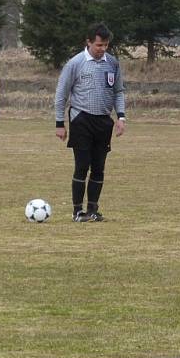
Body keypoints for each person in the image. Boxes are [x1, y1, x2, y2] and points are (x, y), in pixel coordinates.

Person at [55, 23, 126, 222]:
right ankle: (77, 211)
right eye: (99, 45)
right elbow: (61, 94)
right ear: (88, 42)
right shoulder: (75, 63)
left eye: (105, 45)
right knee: (82, 166)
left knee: (98, 167)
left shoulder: (112, 63)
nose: (102, 49)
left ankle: (93, 209)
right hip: (81, 119)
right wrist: (59, 122)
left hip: (103, 122)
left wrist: (121, 117)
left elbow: (119, 91)